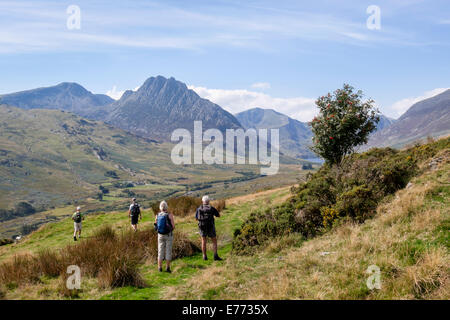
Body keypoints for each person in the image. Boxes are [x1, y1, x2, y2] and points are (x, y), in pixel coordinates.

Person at [195, 195, 222, 261]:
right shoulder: (211, 208)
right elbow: (218, 215)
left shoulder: (199, 209)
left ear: (202, 201)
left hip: (202, 227)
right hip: (211, 226)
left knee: (203, 241)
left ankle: (204, 256)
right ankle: (215, 255)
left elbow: (196, 218)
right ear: (208, 201)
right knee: (214, 241)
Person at [154, 201, 175, 273]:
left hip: (160, 235)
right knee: (168, 251)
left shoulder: (157, 215)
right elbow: (173, 226)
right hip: (168, 235)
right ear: (166, 207)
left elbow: (155, 226)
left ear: (160, 207)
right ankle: (168, 267)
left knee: (160, 251)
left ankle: (159, 267)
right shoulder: (169, 215)